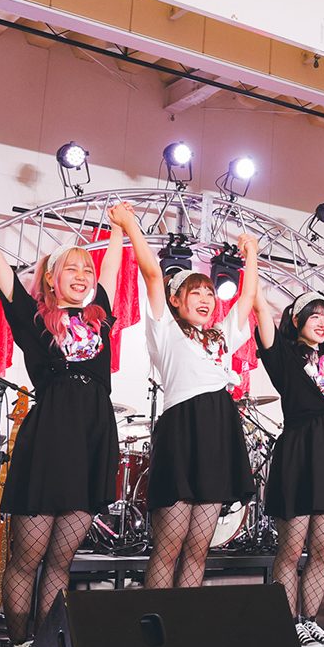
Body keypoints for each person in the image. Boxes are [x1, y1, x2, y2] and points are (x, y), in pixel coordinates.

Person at [0, 200, 129, 647]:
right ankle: (20, 645)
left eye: (84, 268)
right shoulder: (32, 316)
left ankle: (48, 644)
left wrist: (118, 230)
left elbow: (111, 266)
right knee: (28, 555)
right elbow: (0, 264)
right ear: (51, 278)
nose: (82, 273)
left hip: (93, 437)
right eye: (70, 267)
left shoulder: (98, 315)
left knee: (60, 561)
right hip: (51, 436)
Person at [112, 207, 259, 592]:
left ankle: (186, 626)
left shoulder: (221, 338)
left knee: (198, 549)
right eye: (195, 292)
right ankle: (153, 622)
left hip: (218, 435)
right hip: (181, 432)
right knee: (168, 546)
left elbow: (246, 302)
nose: (205, 299)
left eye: (209, 293)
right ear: (176, 301)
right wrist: (130, 226)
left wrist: (253, 255)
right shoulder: (165, 332)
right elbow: (151, 275)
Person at [252, 248, 324, 647]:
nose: (323, 323)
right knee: (292, 546)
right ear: (298, 322)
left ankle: (309, 623)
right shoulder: (283, 356)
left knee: (323, 547)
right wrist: (251, 258)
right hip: (299, 450)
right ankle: (285, 627)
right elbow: (262, 318)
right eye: (314, 316)